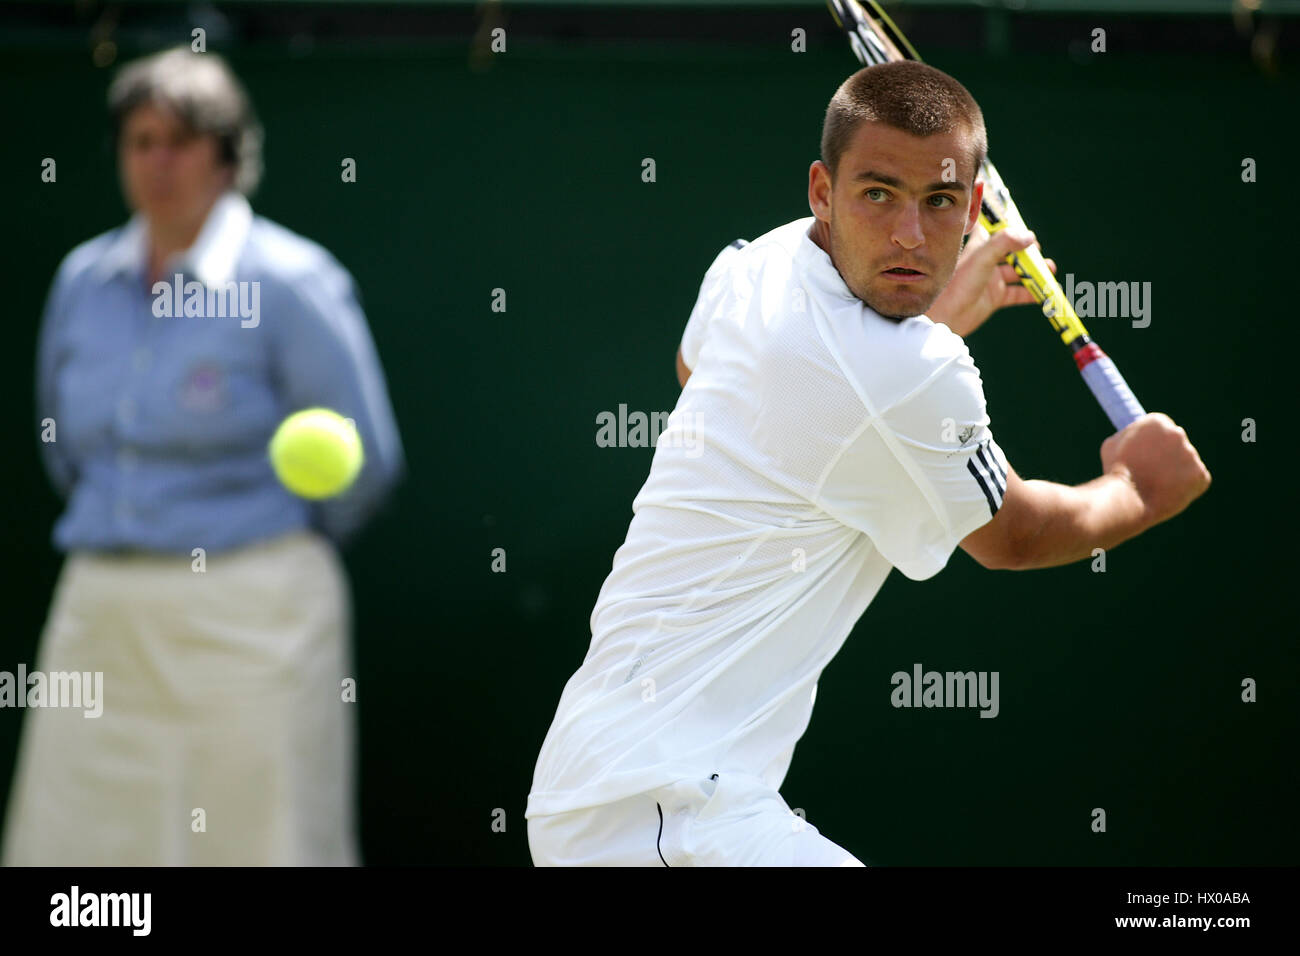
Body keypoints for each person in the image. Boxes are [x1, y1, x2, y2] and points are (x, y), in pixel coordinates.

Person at [526, 61, 1210, 866]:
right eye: (878, 194)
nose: (911, 236)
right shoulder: (911, 374)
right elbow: (1014, 537)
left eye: (940, 201)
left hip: (615, 790)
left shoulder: (753, 263)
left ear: (971, 211)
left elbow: (711, 375)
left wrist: (931, 335)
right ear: (823, 189)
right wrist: (1138, 486)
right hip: (661, 812)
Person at [2, 47, 404, 865]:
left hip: (255, 617)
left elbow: (367, 462)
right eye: (140, 141)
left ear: (227, 160)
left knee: (263, 842)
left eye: (180, 143)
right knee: (77, 851)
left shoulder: (293, 282)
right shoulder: (83, 280)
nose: (158, 163)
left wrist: (249, 551)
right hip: (102, 614)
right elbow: (66, 447)